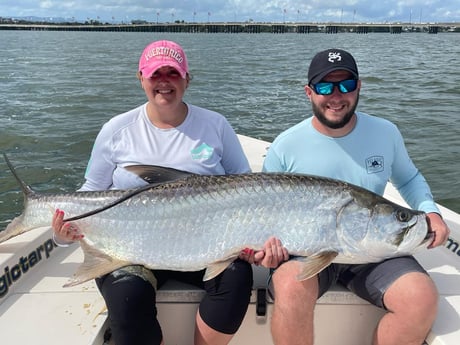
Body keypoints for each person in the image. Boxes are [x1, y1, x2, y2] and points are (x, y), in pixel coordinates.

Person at [51, 39, 263, 345]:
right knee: (128, 297)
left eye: (173, 73)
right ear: (141, 79)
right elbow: (91, 192)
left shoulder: (215, 126)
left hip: (208, 245)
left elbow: (248, 189)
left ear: (188, 79)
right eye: (155, 74)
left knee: (237, 277)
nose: (164, 81)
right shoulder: (117, 129)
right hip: (128, 249)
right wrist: (61, 234)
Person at [262, 48, 451, 345]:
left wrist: (430, 211)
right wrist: (266, 247)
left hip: (373, 250)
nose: (336, 96)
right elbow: (263, 209)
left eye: (346, 85)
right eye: (325, 86)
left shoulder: (385, 133)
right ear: (309, 92)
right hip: (308, 251)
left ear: (359, 86)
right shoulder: (285, 146)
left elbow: (410, 178)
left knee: (420, 297)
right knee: (289, 284)